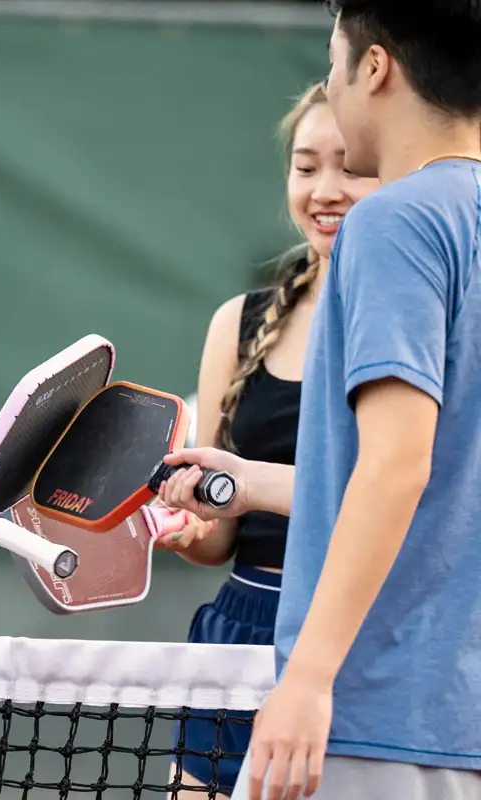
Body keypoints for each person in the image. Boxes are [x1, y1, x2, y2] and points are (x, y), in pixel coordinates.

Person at [159, 1, 481, 798]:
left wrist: (304, 679)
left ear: (374, 69)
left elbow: (398, 467)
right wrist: (246, 484)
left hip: (370, 711)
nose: (331, 87)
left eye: (335, 63)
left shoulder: (395, 222)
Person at [156, 83, 378, 799]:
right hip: (241, 630)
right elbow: (222, 537)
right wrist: (196, 529)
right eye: (306, 166)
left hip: (371, 641)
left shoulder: (426, 313)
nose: (326, 190)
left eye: (351, 167)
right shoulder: (238, 324)